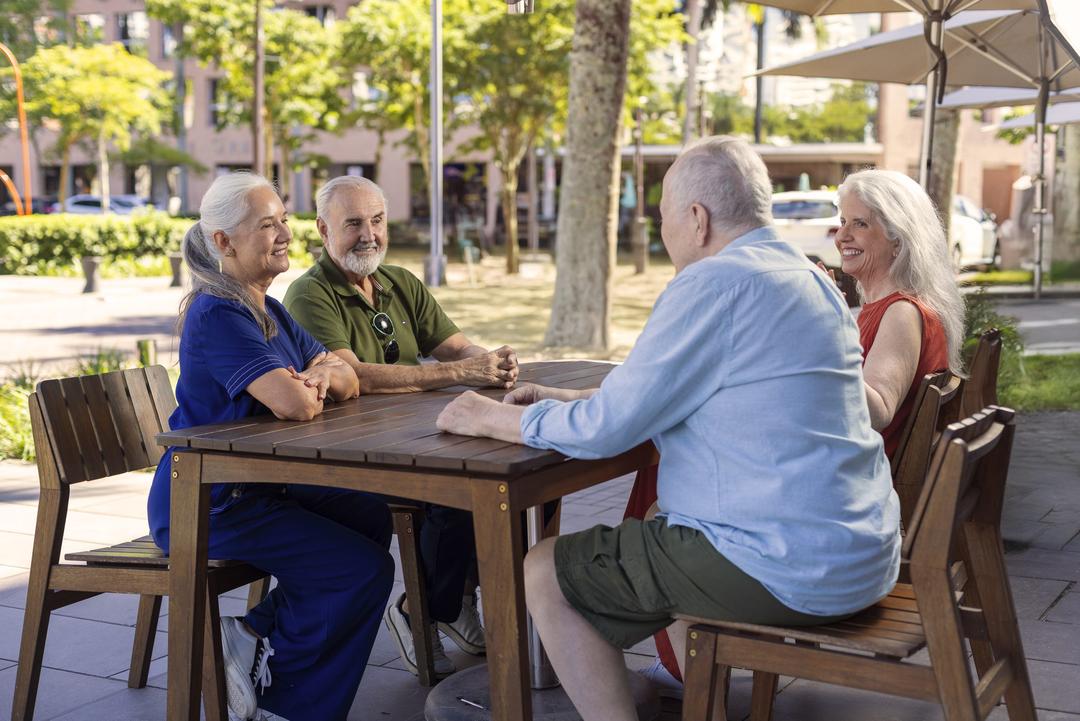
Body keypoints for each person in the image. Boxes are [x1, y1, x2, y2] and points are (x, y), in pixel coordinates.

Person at [435, 136, 901, 721]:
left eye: (663, 220)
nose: (664, 235)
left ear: (697, 219)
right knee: (661, 522)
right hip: (860, 551)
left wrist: (488, 415)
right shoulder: (807, 278)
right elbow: (679, 388)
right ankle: (698, 704)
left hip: (788, 567)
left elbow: (607, 432)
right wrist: (570, 396)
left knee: (546, 571)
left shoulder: (715, 283)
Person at [624, 167, 966, 691]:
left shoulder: (901, 313)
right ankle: (692, 659)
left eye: (860, 225)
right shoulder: (880, 309)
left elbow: (876, 404)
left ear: (899, 238)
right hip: (843, 483)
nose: (842, 235)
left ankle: (693, 671)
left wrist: (813, 342)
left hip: (836, 501)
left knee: (671, 493)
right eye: (841, 222)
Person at [148, 173, 394, 721]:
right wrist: (311, 380)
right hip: (209, 503)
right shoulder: (219, 312)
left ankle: (253, 631)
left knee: (370, 518)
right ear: (222, 242)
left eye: (283, 219)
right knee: (358, 570)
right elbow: (296, 405)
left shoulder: (272, 310)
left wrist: (322, 374)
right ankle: (291, 707)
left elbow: (349, 376)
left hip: (262, 488)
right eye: (267, 225)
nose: (284, 233)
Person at [283, 175, 517, 677]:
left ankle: (450, 604)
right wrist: (457, 373)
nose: (369, 234)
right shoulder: (309, 293)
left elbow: (456, 346)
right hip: (350, 453)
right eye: (353, 224)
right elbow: (352, 374)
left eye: (377, 220)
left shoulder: (400, 282)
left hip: (413, 434)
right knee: (457, 492)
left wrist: (491, 361)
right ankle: (422, 611)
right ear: (323, 230)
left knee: (500, 479)